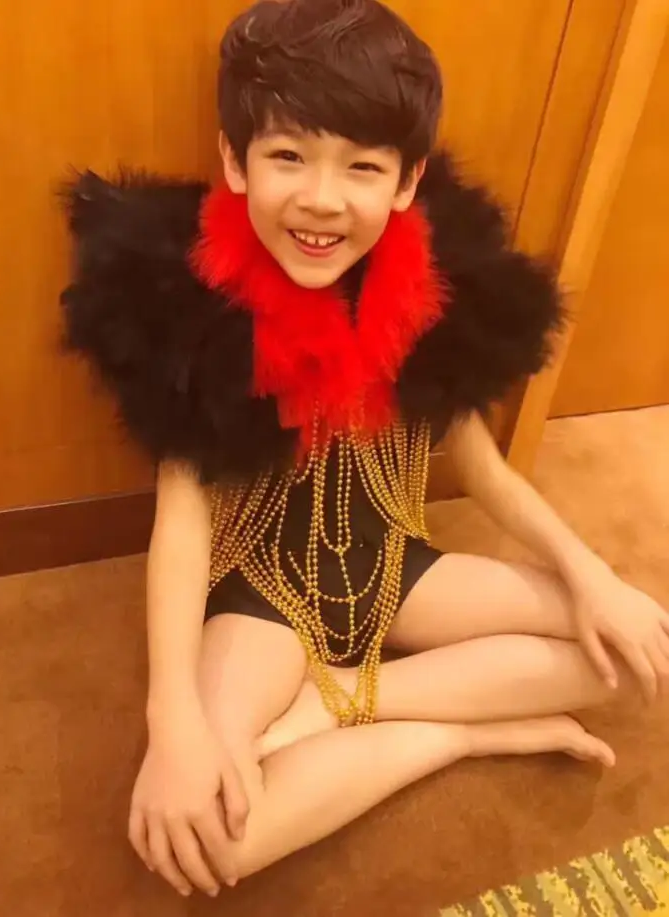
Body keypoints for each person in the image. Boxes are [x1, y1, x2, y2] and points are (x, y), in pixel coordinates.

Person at [60, 0, 669, 900]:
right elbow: (181, 528)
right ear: (235, 159)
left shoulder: (433, 294)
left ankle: (348, 696)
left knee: (632, 647)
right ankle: (455, 730)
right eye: (288, 156)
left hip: (396, 566)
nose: (322, 198)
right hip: (261, 600)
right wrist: (173, 719)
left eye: (362, 167)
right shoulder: (193, 311)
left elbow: (482, 468)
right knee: (205, 839)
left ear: (407, 180)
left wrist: (594, 577)